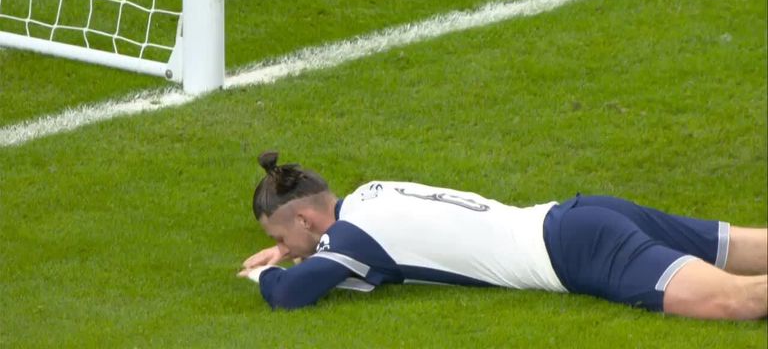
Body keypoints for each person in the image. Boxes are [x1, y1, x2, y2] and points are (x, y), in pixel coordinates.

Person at [237, 151, 768, 320]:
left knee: (734, 301)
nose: (283, 248)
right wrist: (307, 251)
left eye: (282, 237)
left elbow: (289, 296)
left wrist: (265, 273)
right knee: (749, 246)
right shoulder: (373, 194)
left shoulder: (352, 240)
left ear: (304, 221)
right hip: (580, 214)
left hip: (577, 251)